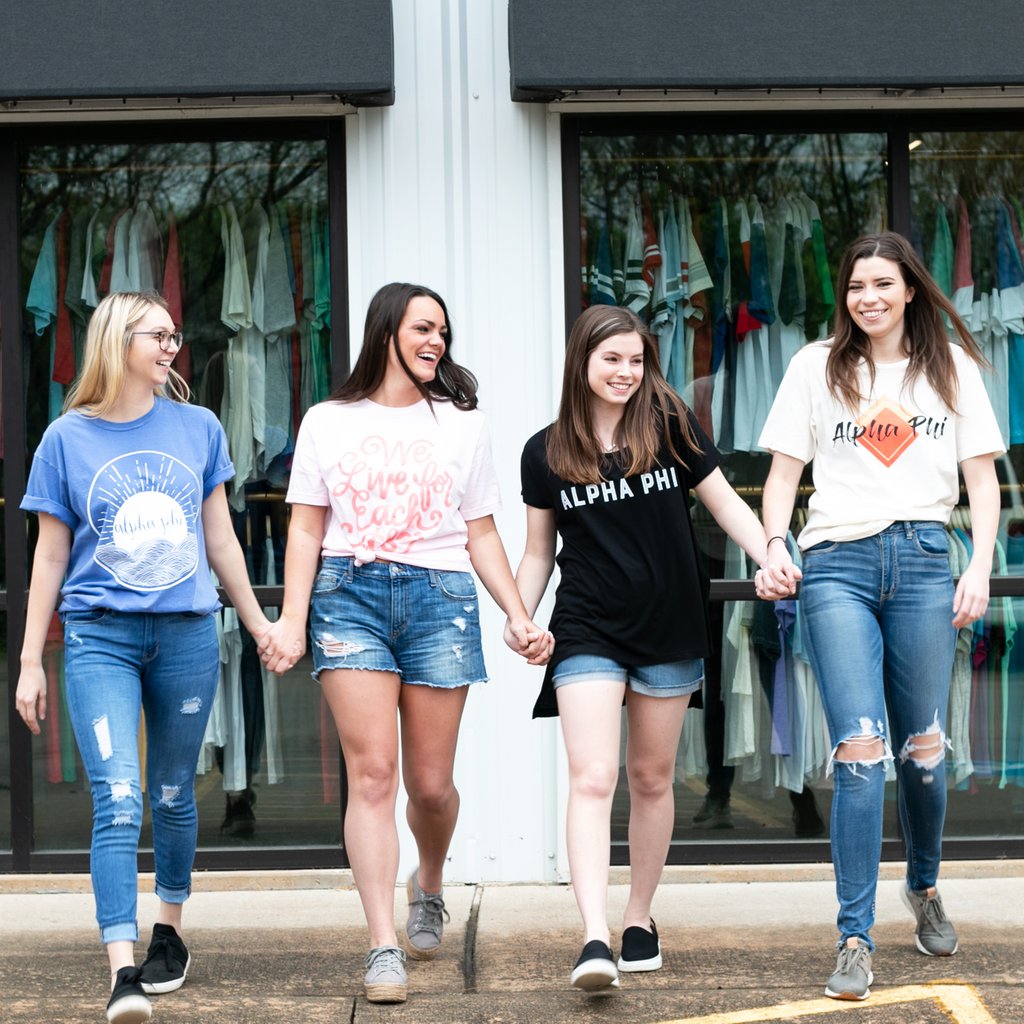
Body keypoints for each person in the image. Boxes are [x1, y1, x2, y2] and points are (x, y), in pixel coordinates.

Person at [258, 282, 552, 1005]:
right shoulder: (328, 420)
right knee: (373, 776)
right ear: (386, 329)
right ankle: (382, 942)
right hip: (347, 594)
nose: (436, 343)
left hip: (439, 600)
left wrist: (517, 612)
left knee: (429, 784)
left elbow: (481, 531)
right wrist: (292, 619)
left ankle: (429, 880)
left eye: (444, 334)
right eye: (424, 328)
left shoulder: (462, 423)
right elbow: (304, 526)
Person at [509, 304, 794, 992]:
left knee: (651, 779)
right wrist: (518, 615)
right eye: (612, 359)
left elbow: (726, 504)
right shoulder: (544, 451)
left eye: (636, 360)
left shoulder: (668, 425)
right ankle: (594, 936)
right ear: (582, 361)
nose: (625, 373)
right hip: (587, 626)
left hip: (670, 620)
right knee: (593, 777)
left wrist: (770, 552)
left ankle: (639, 918)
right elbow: (538, 551)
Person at [15, 291, 281, 1024]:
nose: (172, 348)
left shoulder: (197, 428)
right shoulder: (65, 439)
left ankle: (170, 931)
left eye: (174, 336)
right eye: (157, 336)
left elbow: (221, 540)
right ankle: (122, 969)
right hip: (101, 636)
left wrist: (260, 623)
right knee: (119, 798)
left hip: (186, 635)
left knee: (170, 794)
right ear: (116, 340)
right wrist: (31, 660)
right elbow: (49, 556)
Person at [758, 231, 1003, 1001]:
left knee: (923, 753)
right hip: (838, 564)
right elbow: (781, 477)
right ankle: (854, 937)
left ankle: (924, 886)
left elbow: (984, 482)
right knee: (860, 750)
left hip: (929, 561)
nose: (868, 297)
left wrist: (980, 564)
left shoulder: (951, 369)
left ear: (909, 290)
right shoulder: (814, 367)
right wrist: (772, 542)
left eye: (883, 284)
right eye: (856, 284)